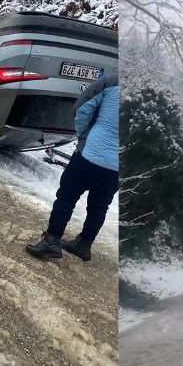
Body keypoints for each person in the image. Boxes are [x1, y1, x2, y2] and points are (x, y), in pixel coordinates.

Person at [26, 73, 119, 262]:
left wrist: (83, 135)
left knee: (67, 196)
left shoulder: (111, 80)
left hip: (91, 154)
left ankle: (51, 241)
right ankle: (84, 245)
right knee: (99, 207)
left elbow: (82, 107)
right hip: (117, 167)